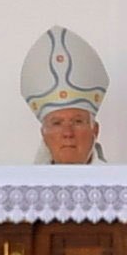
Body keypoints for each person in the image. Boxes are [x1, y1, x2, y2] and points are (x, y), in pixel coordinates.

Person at [18, 26, 108, 164]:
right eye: (57, 123)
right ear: (43, 134)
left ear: (95, 130)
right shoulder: (25, 183)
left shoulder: (118, 183)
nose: (68, 133)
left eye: (78, 122)